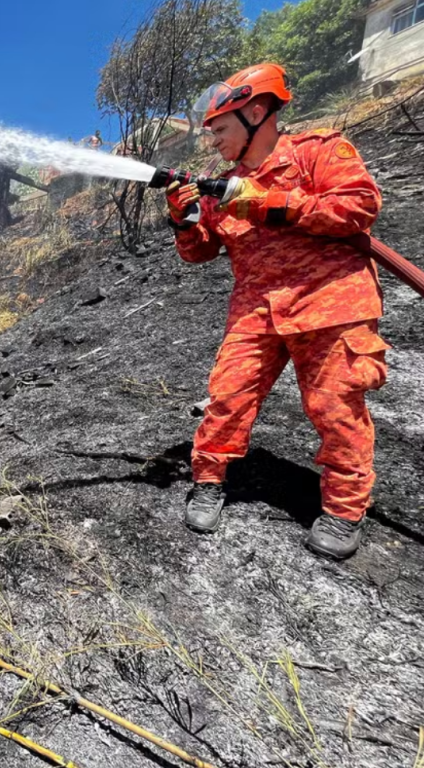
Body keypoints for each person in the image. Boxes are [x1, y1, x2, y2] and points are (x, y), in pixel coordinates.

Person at [164, 63, 388, 559]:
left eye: (220, 129)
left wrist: (271, 202)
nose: (214, 141)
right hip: (256, 310)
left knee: (336, 408)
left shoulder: (317, 152)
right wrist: (184, 220)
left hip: (330, 303)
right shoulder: (223, 187)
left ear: (257, 112)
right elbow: (200, 252)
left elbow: (358, 206)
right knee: (228, 396)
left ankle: (344, 509)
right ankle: (208, 481)